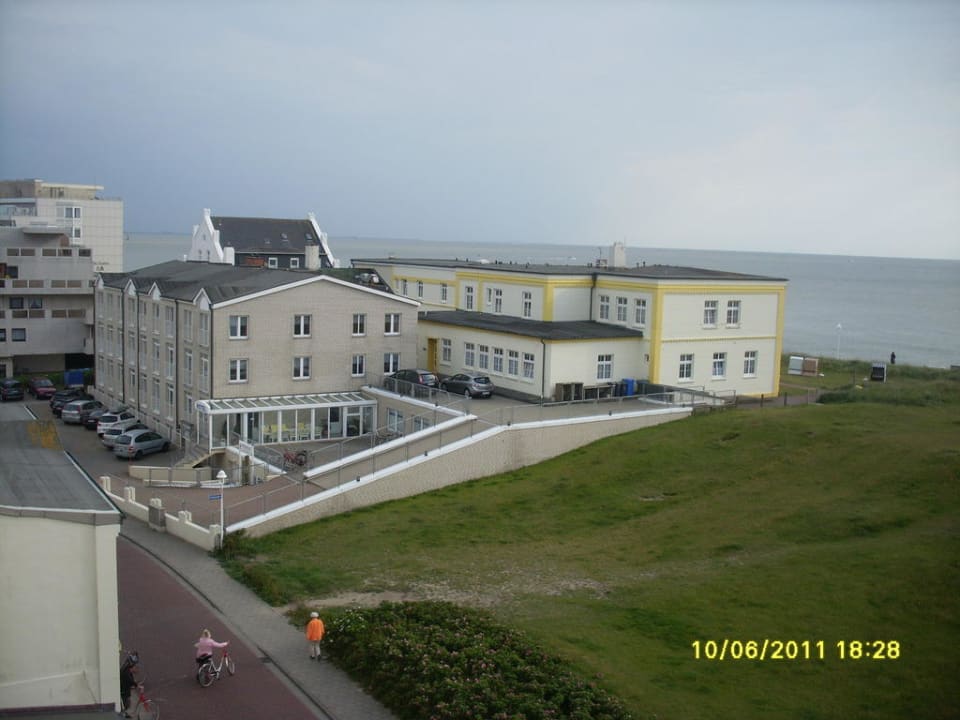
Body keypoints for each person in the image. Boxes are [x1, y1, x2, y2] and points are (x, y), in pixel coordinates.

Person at [119, 651, 139, 717]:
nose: (136, 670)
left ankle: (124, 713)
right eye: (135, 668)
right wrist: (136, 685)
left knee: (126, 703)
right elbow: (130, 681)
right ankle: (123, 714)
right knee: (126, 703)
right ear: (132, 668)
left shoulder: (126, 670)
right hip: (124, 691)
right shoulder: (126, 673)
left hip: (124, 689)